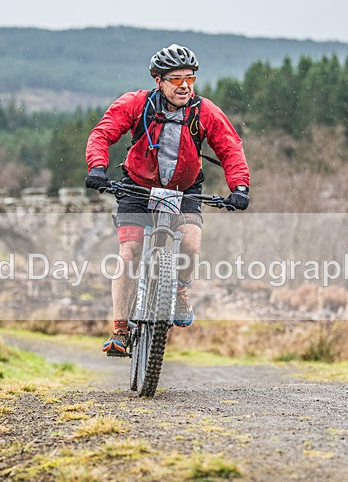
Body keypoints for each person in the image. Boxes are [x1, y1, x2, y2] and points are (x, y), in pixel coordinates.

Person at [85, 43, 251, 356]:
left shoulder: (205, 112)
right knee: (129, 253)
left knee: (190, 243)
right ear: (158, 80)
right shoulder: (136, 103)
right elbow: (102, 133)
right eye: (176, 79)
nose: (185, 86)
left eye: (190, 78)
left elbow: (231, 148)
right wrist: (97, 167)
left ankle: (179, 290)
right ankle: (120, 330)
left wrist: (239, 187)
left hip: (184, 189)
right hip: (137, 188)